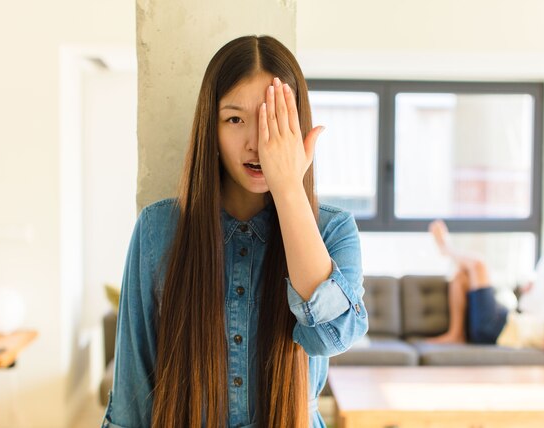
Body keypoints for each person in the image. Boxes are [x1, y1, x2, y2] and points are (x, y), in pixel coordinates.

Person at [101, 35, 368, 428]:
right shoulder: (158, 230)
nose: (256, 143)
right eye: (235, 119)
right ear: (212, 127)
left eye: (272, 121)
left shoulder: (333, 229)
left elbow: (330, 336)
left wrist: (289, 187)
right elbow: (131, 392)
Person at [426, 220, 544, 354]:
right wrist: (532, 295)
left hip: (499, 330)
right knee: (461, 277)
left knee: (479, 264)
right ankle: (456, 334)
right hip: (507, 321)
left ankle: (446, 249)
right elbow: (535, 320)